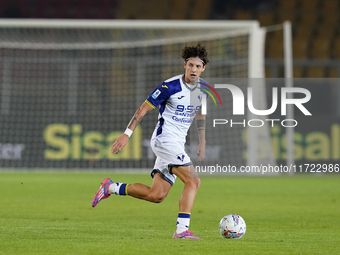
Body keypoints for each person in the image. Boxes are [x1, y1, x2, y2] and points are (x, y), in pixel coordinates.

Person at [92, 43, 209, 239]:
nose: (194, 69)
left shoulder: (203, 90)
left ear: (203, 68)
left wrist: (202, 140)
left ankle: (110, 187)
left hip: (176, 144)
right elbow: (143, 109)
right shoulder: (169, 86)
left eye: (198, 66)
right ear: (184, 65)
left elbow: (201, 113)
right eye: (191, 65)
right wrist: (126, 134)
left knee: (157, 195)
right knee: (193, 181)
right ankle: (181, 231)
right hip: (164, 140)